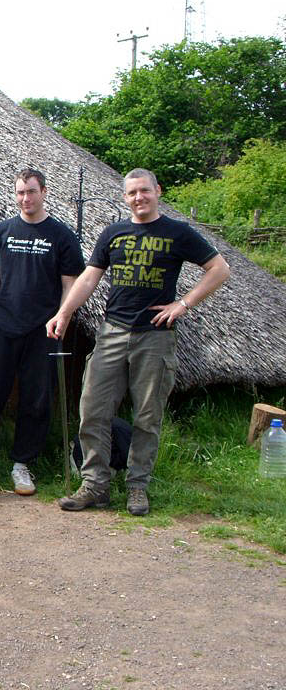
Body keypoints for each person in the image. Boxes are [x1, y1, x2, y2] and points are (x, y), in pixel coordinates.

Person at [46, 168, 230, 516]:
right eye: (132, 193)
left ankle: (137, 487)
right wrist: (64, 312)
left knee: (147, 416)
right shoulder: (113, 233)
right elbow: (89, 278)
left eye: (144, 190)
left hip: (155, 338)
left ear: (157, 191)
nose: (138, 198)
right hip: (112, 332)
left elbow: (220, 269)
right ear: (125, 197)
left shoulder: (178, 232)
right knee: (93, 411)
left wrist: (183, 303)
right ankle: (95, 485)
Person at [0, 169, 84, 496]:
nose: (26, 198)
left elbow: (70, 283)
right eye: (21, 192)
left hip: (43, 330)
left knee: (36, 399)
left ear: (44, 192)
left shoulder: (61, 235)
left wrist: (61, 320)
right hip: (1, 327)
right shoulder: (2, 230)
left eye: (31, 191)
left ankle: (22, 465)